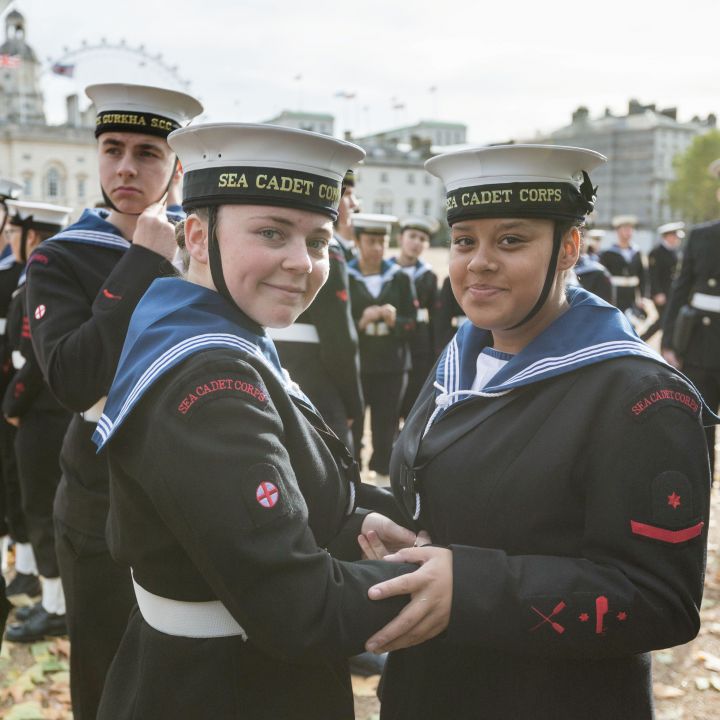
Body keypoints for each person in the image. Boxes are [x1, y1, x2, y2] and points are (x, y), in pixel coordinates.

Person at [360, 144, 711, 719]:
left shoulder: (639, 394)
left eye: (511, 240)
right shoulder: (464, 354)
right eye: (466, 240)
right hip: (430, 689)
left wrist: (469, 586)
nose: (479, 262)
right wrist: (396, 528)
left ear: (569, 248)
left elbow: (661, 600)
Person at [89, 123, 421, 720]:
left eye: (319, 241)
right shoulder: (212, 380)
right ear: (195, 234)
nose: (301, 262)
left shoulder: (204, 326)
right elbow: (300, 608)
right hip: (230, 687)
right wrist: (447, 588)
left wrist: (360, 518)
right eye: (272, 232)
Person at [25, 83, 202, 719]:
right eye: (112, 149)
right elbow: (73, 378)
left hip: (197, 489)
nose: (125, 167)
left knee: (184, 671)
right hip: (102, 492)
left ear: (177, 168)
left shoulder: (209, 250)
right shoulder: (60, 257)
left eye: (148, 153)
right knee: (103, 674)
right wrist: (144, 262)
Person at [1, 201, 72, 642]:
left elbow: (36, 361)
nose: (9, 240)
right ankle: (49, 598)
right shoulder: (29, 282)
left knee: (44, 510)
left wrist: (13, 403)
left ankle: (56, 608)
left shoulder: (39, 283)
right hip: (40, 412)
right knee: (33, 504)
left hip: (42, 413)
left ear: (31, 237)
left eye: (15, 232)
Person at [269, 171, 364, 450]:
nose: (354, 204)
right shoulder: (329, 254)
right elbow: (340, 341)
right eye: (347, 194)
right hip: (316, 387)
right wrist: (352, 403)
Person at [663, 159, 720, 478]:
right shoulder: (701, 236)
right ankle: (703, 488)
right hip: (700, 345)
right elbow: (679, 291)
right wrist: (670, 343)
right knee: (700, 426)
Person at [348, 213, 416, 480]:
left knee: (386, 426)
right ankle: (352, 478)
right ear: (357, 241)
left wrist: (395, 320)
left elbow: (415, 324)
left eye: (382, 241)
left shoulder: (399, 278)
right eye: (371, 241)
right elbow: (335, 324)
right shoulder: (346, 274)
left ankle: (382, 481)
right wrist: (360, 322)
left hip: (392, 366)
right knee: (352, 424)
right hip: (357, 365)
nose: (377, 248)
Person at [391, 217, 439, 417]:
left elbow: (435, 316)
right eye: (412, 236)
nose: (417, 242)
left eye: (422, 238)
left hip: (418, 340)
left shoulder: (428, 275)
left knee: (414, 392)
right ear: (400, 238)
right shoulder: (386, 270)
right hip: (390, 337)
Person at [641, 221, 683, 342]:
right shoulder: (656, 252)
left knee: (666, 321)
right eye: (675, 236)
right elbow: (652, 276)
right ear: (668, 236)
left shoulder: (674, 251)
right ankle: (642, 340)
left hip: (671, 292)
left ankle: (650, 342)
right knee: (664, 321)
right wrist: (657, 293)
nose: (677, 239)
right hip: (661, 294)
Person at [599, 214, 646, 313]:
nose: (628, 232)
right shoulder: (608, 254)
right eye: (625, 229)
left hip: (632, 295)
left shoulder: (637, 252)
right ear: (618, 231)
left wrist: (643, 296)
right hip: (615, 294)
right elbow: (603, 278)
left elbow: (643, 276)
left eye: (630, 229)